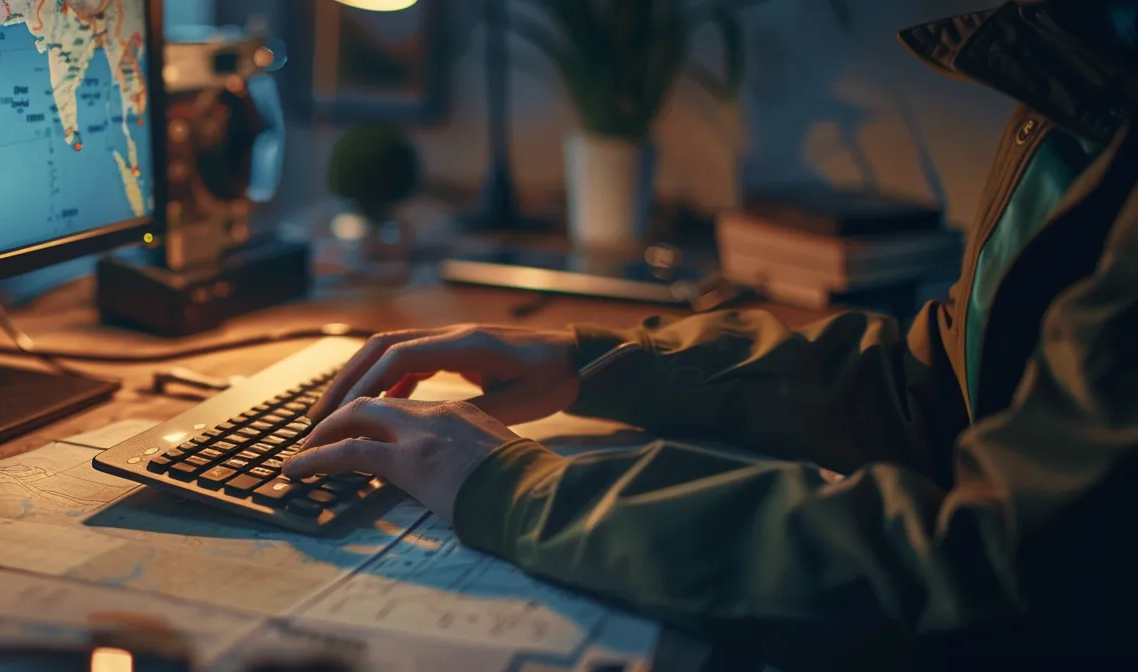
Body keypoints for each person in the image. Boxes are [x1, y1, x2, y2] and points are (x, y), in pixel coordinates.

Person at [282, 1, 1137, 668]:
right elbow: (941, 385)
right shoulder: (1083, 47)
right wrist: (594, 362)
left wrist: (512, 487)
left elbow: (993, 574)